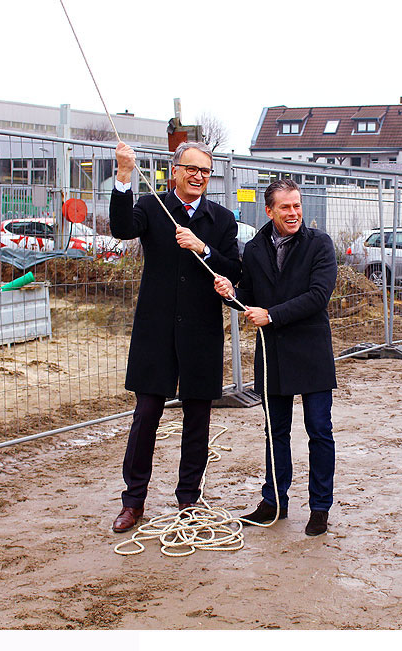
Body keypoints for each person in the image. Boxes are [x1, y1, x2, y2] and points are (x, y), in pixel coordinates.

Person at [109, 141, 241, 533]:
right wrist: (123, 174)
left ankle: (188, 499)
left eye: (205, 171)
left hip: (201, 331)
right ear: (175, 171)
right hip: (156, 330)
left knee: (197, 418)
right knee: (146, 415)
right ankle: (133, 502)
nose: (198, 176)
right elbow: (120, 228)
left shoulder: (222, 219)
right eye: (191, 169)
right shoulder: (153, 208)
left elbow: (234, 268)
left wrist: (203, 247)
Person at [213, 179, 338, 537]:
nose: (294, 213)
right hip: (273, 355)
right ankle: (274, 502)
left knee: (319, 431)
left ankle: (319, 508)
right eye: (286, 207)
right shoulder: (254, 249)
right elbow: (247, 297)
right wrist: (229, 293)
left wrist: (272, 315)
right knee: (275, 432)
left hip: (311, 352)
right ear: (269, 211)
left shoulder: (319, 244)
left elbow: (318, 296)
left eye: (297, 205)